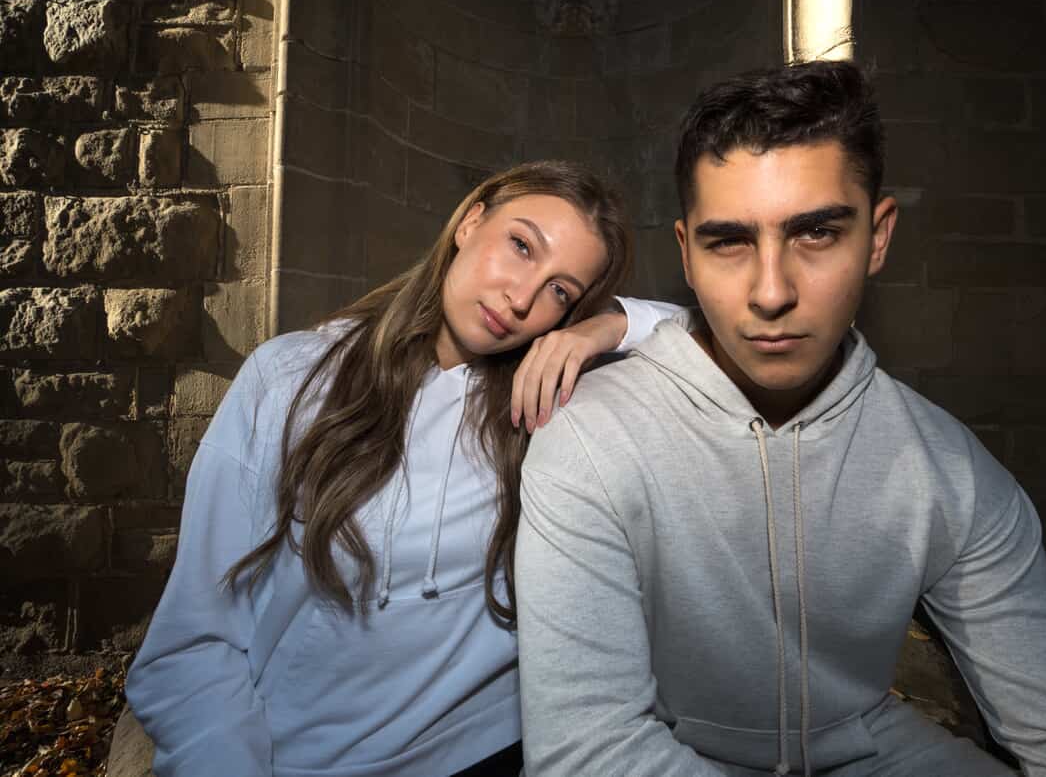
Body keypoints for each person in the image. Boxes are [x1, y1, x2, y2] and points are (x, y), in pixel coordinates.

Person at [514, 62, 1046, 777]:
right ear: (687, 254)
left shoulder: (946, 467)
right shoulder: (591, 437)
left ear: (878, 236)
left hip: (872, 747)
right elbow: (586, 750)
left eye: (817, 233)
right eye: (728, 241)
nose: (771, 292)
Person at [125, 160, 680, 777]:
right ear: (470, 222)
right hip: (288, 758)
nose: (522, 299)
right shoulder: (290, 376)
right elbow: (195, 640)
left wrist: (607, 327)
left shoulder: (544, 404)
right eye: (521, 246)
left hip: (486, 755)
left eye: (560, 292)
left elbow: (717, 337)